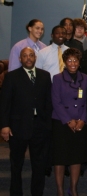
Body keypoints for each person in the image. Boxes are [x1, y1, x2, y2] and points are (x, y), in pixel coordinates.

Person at [0, 47, 52, 196]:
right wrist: (4, 125)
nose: (28, 58)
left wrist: (48, 124)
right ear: (20, 59)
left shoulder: (45, 76)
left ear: (35, 58)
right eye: (25, 56)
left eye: (31, 55)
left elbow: (49, 102)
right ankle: (16, 193)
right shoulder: (11, 77)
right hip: (18, 127)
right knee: (16, 164)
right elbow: (5, 103)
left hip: (40, 127)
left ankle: (37, 193)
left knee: (39, 165)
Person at [51, 48, 87, 196]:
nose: (73, 63)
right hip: (61, 123)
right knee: (60, 158)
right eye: (69, 60)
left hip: (80, 123)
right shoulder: (57, 78)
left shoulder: (86, 78)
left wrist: (82, 120)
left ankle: (73, 188)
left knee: (76, 157)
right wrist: (68, 120)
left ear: (79, 63)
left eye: (75, 60)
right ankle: (60, 190)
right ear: (65, 62)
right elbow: (56, 101)